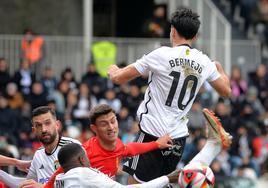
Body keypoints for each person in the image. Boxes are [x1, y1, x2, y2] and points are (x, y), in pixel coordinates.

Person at [108, 7, 232, 183]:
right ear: (195, 36)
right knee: (164, 183)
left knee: (134, 185)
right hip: (178, 138)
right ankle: (209, 151)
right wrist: (220, 69)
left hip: (152, 135)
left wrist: (112, 70)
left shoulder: (161, 54)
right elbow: (226, 91)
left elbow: (118, 78)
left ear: (172, 31)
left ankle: (210, 149)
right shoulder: (204, 62)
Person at [44, 104, 172, 188]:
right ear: (94, 128)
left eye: (113, 121)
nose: (111, 127)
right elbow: (61, 172)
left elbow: (130, 149)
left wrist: (156, 144)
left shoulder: (118, 144)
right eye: (104, 124)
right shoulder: (84, 154)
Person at [0, 106, 80, 188]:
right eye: (38, 125)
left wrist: (43, 187)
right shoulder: (38, 155)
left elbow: (80, 183)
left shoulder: (72, 147)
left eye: (47, 123)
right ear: (34, 130)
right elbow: (28, 184)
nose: (44, 129)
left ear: (57, 125)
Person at [54, 143, 179, 188]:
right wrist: (167, 178)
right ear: (81, 160)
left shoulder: (59, 180)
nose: (89, 161)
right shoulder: (84, 174)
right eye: (87, 157)